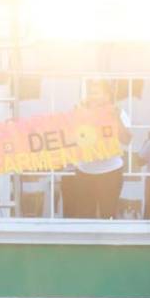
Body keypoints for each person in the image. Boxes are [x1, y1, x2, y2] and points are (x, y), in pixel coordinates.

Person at [61, 79, 132, 219]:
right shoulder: (80, 112)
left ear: (107, 96)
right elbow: (69, 140)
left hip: (111, 172)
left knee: (108, 215)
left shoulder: (117, 112)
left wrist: (116, 118)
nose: (92, 96)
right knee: (84, 216)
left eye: (96, 93)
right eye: (90, 93)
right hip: (84, 172)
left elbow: (127, 139)